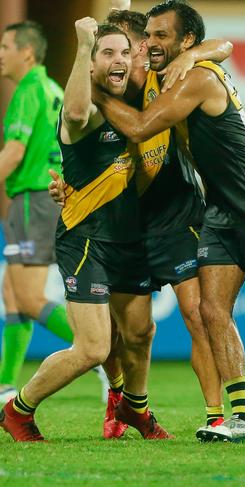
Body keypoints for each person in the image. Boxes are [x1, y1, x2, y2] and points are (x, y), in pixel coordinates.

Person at [92, 0, 245, 443]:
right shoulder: (180, 68)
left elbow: (140, 127)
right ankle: (243, 416)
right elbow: (219, 44)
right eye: (147, 36)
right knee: (211, 312)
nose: (150, 44)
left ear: (186, 41)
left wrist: (96, 91)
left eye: (161, 36)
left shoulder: (199, 78)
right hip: (221, 211)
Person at [54, 5, 234, 439]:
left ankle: (216, 415)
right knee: (120, 331)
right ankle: (119, 401)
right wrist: (67, 186)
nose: (129, 59)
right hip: (121, 229)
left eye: (132, 50)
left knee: (197, 312)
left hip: (177, 217)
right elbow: (72, 136)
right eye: (119, 51)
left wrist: (191, 57)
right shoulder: (98, 91)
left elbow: (223, 47)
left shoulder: (164, 76)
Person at [0, 19, 170, 442]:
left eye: (123, 53)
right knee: (94, 347)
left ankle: (135, 409)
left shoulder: (133, 100)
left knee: (140, 333)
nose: (118, 60)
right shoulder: (85, 106)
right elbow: (75, 113)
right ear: (91, 65)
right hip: (86, 240)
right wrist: (82, 44)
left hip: (130, 240)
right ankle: (17, 408)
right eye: (107, 54)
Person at [0, 20, 107, 405]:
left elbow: (13, 154)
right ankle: (5, 385)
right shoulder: (51, 88)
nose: (0, 53)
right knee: (12, 293)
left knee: (27, 298)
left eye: (5, 46)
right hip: (43, 200)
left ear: (27, 52)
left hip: (32, 199)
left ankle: (97, 356)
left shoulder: (28, 91)